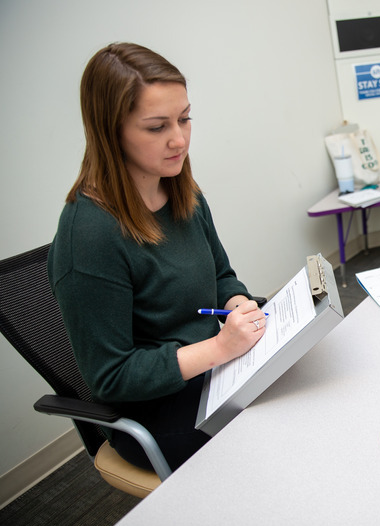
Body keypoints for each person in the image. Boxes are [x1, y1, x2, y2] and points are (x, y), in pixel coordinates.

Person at [48, 43, 267, 471]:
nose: (179, 139)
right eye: (156, 127)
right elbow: (112, 375)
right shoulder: (89, 235)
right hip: (154, 414)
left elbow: (221, 275)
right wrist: (221, 347)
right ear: (111, 131)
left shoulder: (181, 189)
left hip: (212, 373)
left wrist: (239, 305)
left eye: (185, 118)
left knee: (307, 384)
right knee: (276, 434)